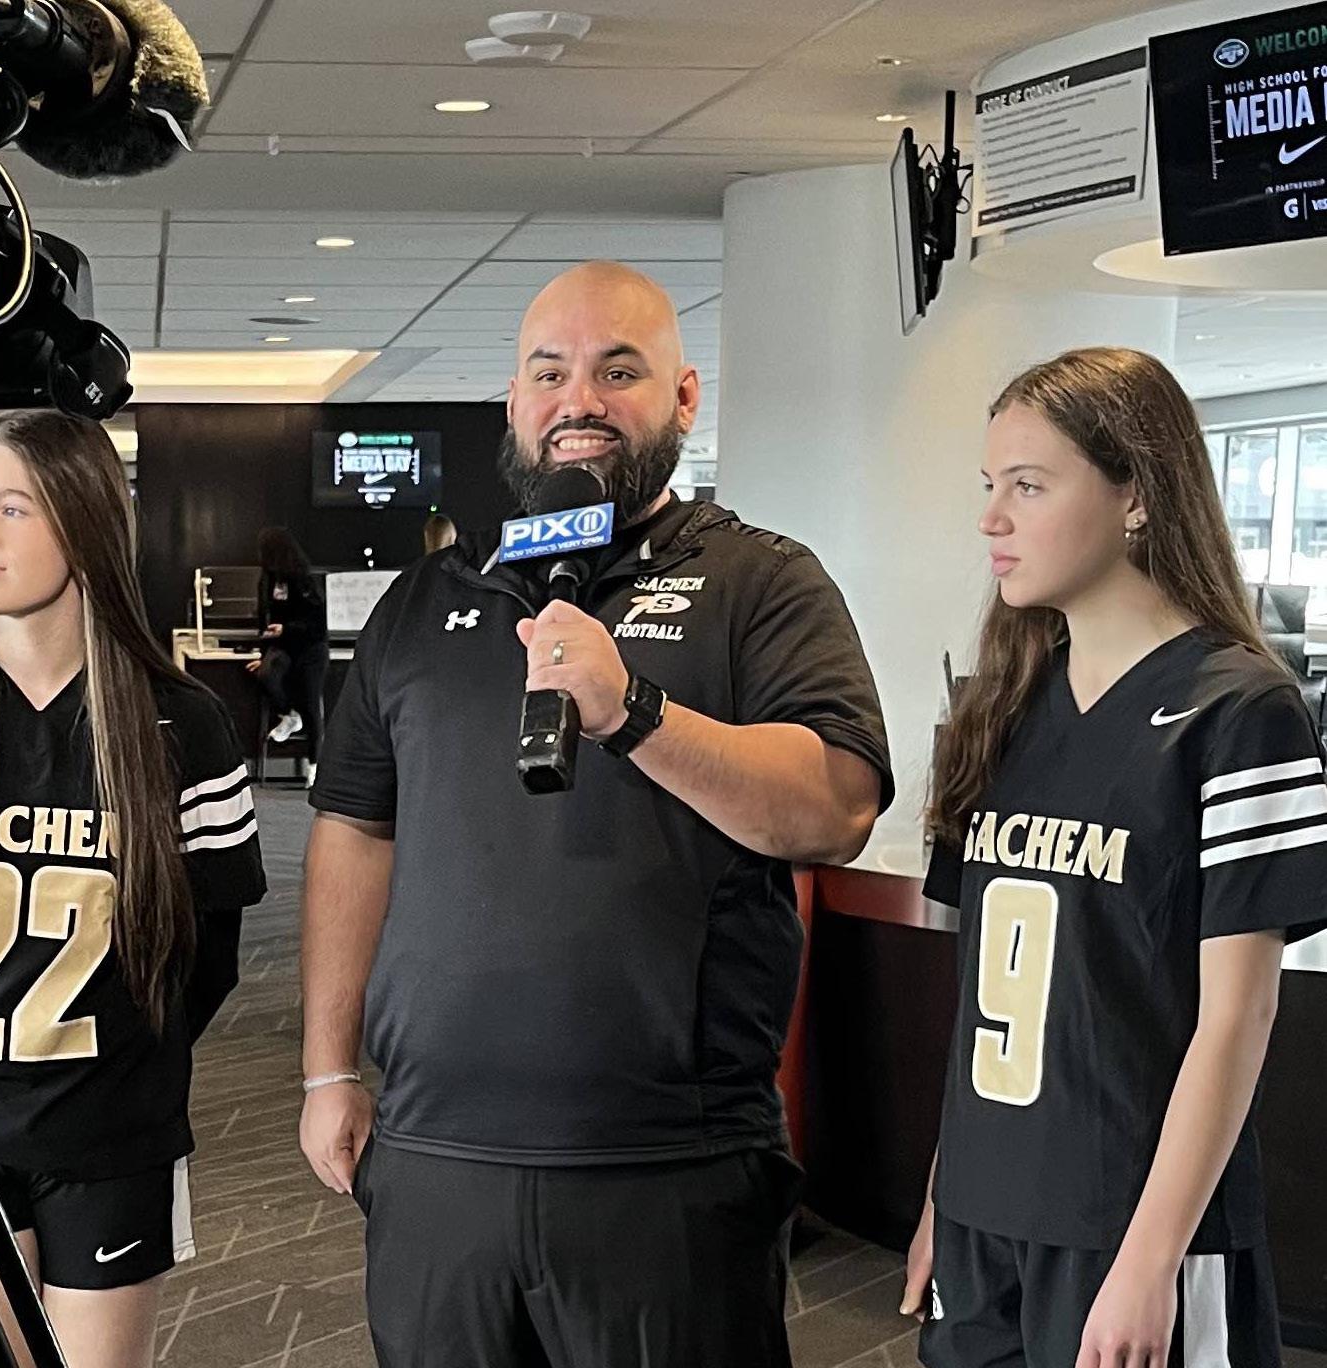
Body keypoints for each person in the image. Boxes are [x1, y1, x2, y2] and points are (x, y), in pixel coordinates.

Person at [297, 261, 891, 1368]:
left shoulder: (760, 581)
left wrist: (633, 712)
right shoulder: (426, 601)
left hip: (666, 1164)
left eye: (619, 372)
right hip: (434, 1158)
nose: (579, 399)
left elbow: (835, 807)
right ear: (514, 403)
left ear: (683, 397)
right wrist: (327, 1067)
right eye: (549, 373)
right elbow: (354, 828)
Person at [907, 348, 1322, 1368]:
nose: (990, 519)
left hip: (1132, 1225)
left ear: (1133, 495)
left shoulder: (1240, 711)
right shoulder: (998, 710)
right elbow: (983, 1006)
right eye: (989, 485)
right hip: (985, 1212)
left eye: (1028, 486)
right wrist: (938, 1199)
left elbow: (1237, 1019)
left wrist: (1149, 1260)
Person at [0, 409, 267, 1368]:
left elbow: (207, 957)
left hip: (111, 1130)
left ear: (86, 521)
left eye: (14, 508)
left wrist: (110, 1064)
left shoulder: (180, 726)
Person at [248, 526, 329, 778]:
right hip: (282, 646)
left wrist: (286, 629)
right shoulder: (267, 580)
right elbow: (264, 619)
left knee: (312, 704)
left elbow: (317, 625)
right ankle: (289, 714)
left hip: (310, 649)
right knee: (266, 675)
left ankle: (314, 767)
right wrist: (262, 655)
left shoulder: (303, 580)